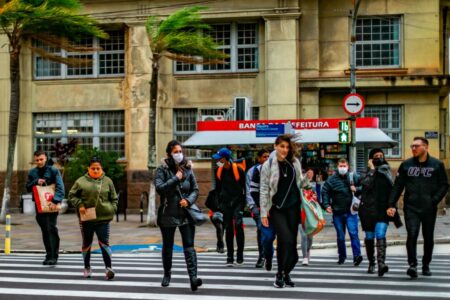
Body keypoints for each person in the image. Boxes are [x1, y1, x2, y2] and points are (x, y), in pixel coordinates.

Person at [387, 137, 449, 278]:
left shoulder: (437, 164)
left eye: (416, 146)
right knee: (412, 234)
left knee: (428, 237)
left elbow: (444, 185)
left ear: (426, 147)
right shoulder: (406, 165)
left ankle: (426, 265)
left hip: (428, 207)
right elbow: (398, 186)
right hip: (411, 207)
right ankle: (412, 265)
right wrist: (391, 204)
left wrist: (434, 200)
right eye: (412, 146)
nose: (413, 148)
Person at [260, 134, 308, 288]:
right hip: (277, 209)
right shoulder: (268, 165)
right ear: (275, 146)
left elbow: (301, 183)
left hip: (293, 209)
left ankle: (285, 273)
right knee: (285, 240)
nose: (285, 150)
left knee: (292, 248)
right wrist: (263, 213)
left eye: (287, 147)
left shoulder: (294, 163)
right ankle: (279, 273)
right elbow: (264, 190)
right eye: (281, 146)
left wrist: (308, 178)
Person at [154, 140, 203, 291]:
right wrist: (175, 178)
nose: (179, 154)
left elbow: (195, 189)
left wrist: (188, 201)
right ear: (169, 153)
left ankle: (193, 278)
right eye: (175, 152)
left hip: (185, 213)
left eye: (180, 151)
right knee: (168, 246)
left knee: (189, 245)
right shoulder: (161, 170)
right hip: (168, 213)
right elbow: (160, 188)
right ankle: (167, 274)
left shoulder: (188, 168)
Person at [68, 157, 118, 280]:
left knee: (104, 243)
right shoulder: (80, 181)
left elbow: (114, 198)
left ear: (101, 169)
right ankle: (87, 267)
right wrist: (80, 205)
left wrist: (112, 209)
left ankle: (108, 268)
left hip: (103, 219)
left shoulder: (108, 181)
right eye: (93, 168)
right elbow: (71, 195)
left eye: (98, 168)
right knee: (87, 244)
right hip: (87, 219)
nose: (95, 170)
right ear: (88, 169)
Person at [359, 148, 401, 276]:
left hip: (382, 210)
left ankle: (381, 264)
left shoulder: (387, 171)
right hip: (367, 210)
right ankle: (372, 263)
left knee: (380, 233)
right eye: (376, 156)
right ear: (371, 159)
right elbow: (366, 183)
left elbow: (393, 191)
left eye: (381, 155)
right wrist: (372, 170)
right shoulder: (365, 173)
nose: (379, 157)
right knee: (370, 237)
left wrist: (393, 206)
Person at [321, 158, 363, 266]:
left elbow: (365, 186)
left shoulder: (353, 177)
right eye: (341, 166)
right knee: (340, 236)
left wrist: (357, 189)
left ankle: (357, 256)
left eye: (344, 166)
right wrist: (326, 205)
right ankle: (342, 256)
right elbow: (325, 191)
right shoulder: (332, 179)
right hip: (337, 213)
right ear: (337, 167)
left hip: (351, 212)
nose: (343, 168)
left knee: (353, 233)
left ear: (348, 166)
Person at [26, 150, 65, 266]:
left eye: (41, 159)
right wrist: (36, 181)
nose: (39, 162)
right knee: (45, 230)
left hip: (51, 204)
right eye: (37, 160)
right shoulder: (32, 172)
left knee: (50, 228)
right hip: (39, 205)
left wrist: (55, 201)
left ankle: (53, 256)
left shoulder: (53, 170)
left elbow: (60, 187)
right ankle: (49, 254)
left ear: (46, 158)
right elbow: (27, 187)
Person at [213, 147, 246, 266]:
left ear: (225, 159)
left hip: (238, 202)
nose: (217, 161)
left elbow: (245, 189)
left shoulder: (238, 170)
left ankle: (240, 255)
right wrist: (219, 205)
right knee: (229, 229)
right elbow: (217, 189)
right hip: (225, 204)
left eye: (219, 159)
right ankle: (230, 256)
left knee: (238, 225)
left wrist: (243, 207)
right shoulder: (218, 170)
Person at [246, 149, 270, 268]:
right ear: (259, 158)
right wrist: (253, 206)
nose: (266, 159)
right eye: (264, 157)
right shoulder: (252, 171)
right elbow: (249, 190)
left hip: (271, 206)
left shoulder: (273, 169)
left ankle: (268, 254)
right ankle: (262, 256)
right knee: (261, 229)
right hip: (257, 206)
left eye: (268, 157)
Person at [299, 168, 316, 266]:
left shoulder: (312, 187)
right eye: (308, 173)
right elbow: (301, 184)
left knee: (310, 237)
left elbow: (315, 201)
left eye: (311, 173)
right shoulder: (298, 185)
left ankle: (308, 251)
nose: (310, 174)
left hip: (310, 214)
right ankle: (305, 256)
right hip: (300, 214)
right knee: (304, 235)